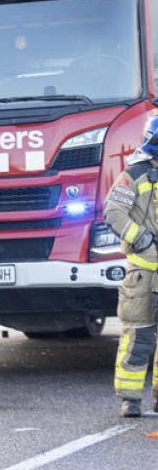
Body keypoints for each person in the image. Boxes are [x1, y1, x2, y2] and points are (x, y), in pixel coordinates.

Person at [104, 113, 158, 417]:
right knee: (138, 337)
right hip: (142, 272)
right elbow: (113, 212)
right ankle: (131, 400)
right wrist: (142, 239)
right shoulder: (134, 175)